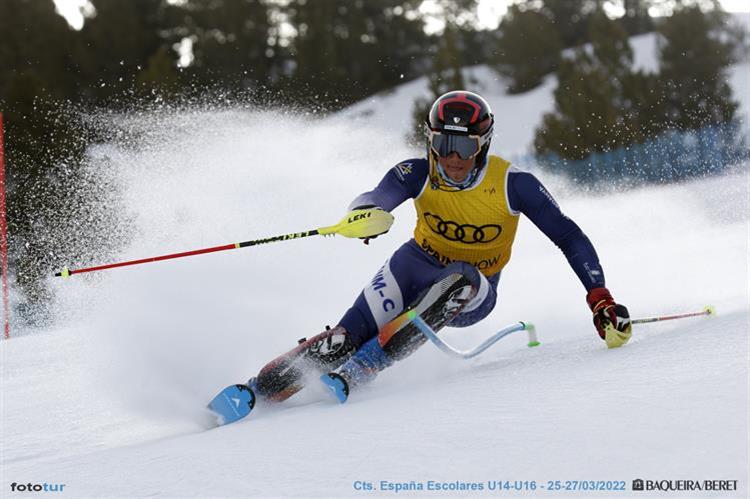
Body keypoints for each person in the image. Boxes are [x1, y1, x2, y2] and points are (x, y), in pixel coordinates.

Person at [249, 90, 632, 404]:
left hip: (474, 289)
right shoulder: (416, 172)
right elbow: (377, 195)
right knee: (343, 338)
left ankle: (367, 365)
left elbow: (569, 236)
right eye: (443, 144)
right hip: (413, 266)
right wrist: (366, 213)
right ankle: (257, 390)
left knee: (458, 278)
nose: (452, 158)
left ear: (482, 145)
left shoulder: (514, 184)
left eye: (464, 148)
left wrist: (599, 297)